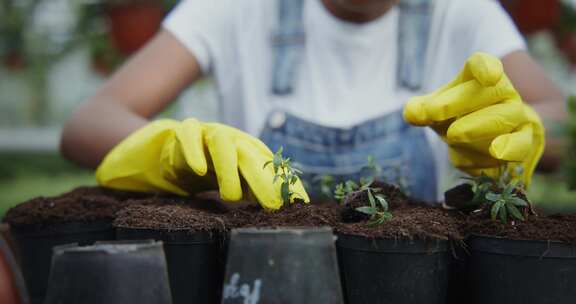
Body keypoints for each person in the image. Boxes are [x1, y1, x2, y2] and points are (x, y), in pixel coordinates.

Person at [60, 0, 565, 210]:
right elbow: (86, 124)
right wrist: (171, 151)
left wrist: (527, 129)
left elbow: (558, 114)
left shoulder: (461, 11)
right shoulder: (237, 9)